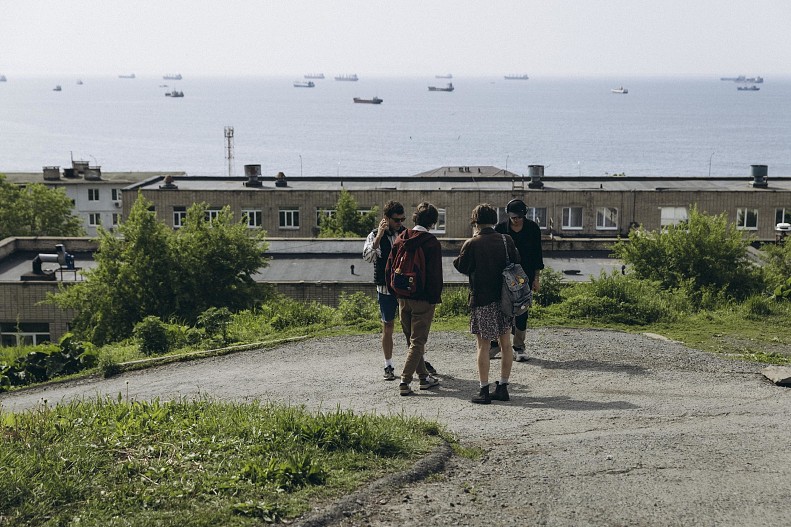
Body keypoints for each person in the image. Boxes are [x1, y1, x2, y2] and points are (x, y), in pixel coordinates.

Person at [454, 204, 520, 404]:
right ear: (494, 219)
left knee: (483, 345)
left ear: (475, 221)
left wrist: (472, 239)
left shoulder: (473, 243)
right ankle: (503, 387)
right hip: (505, 299)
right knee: (506, 344)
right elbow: (517, 262)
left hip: (482, 300)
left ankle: (484, 390)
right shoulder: (505, 239)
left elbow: (461, 266)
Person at [385, 202, 443, 396]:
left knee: (412, 341)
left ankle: (424, 378)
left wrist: (396, 292)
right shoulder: (431, 243)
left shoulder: (401, 238)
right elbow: (435, 275)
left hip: (402, 296)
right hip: (423, 299)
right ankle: (405, 381)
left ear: (415, 218)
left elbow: (389, 267)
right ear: (433, 223)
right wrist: (434, 298)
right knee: (418, 341)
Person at [491, 198, 544, 362]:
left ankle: (519, 346)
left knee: (522, 311)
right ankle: (495, 345)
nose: (516, 220)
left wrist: (536, 278)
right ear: (508, 215)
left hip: (525, 277)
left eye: (519, 217)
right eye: (514, 217)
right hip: (504, 276)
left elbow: (537, 254)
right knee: (501, 310)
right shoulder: (500, 229)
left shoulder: (533, 229)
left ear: (524, 215)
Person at [362, 201, 408, 381]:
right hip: (385, 288)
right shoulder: (374, 235)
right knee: (388, 325)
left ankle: (418, 361)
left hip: (404, 287)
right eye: (396, 220)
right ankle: (388, 364)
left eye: (402, 219)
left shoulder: (405, 233)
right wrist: (379, 237)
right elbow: (367, 257)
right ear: (386, 219)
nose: (399, 223)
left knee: (410, 326)